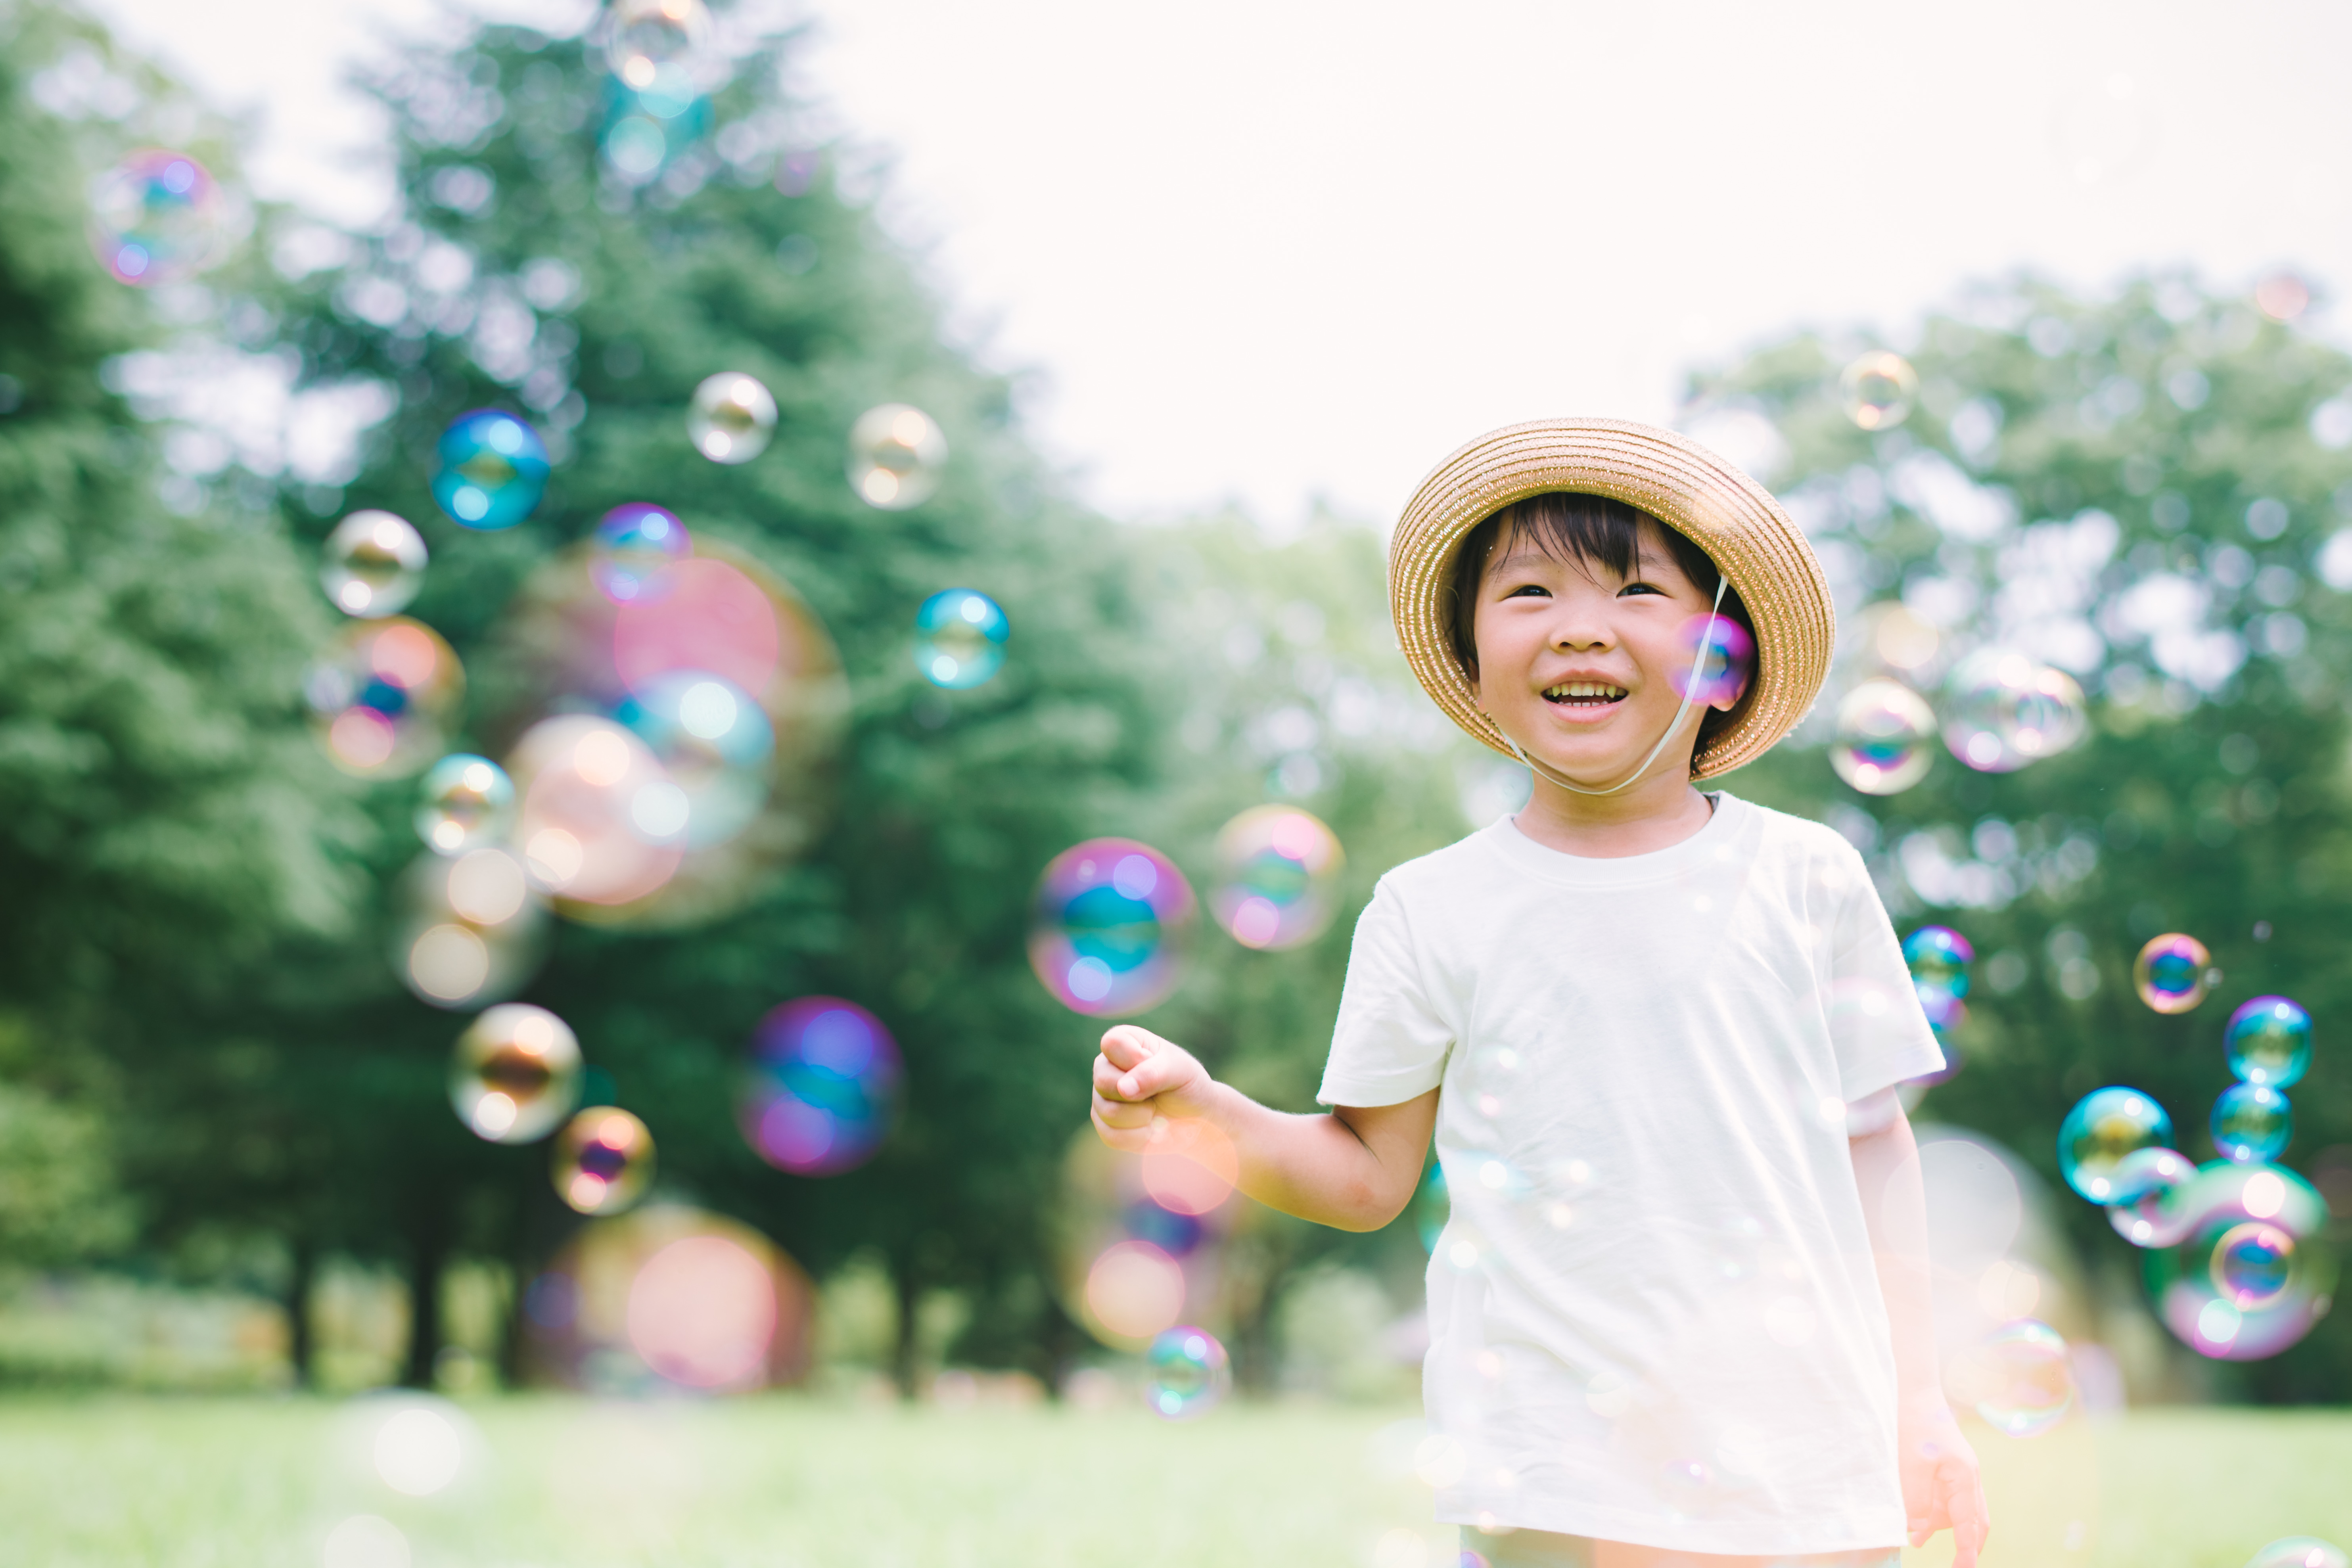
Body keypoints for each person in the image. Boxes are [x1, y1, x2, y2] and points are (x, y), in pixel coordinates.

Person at [1090, 419, 1990, 1568]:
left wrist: (1921, 1403)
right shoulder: (1431, 907)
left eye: (1635, 588)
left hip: (1806, 1459)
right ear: (1471, 657)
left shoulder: (1807, 878)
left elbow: (1876, 1148)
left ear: (1723, 659)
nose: (1579, 624)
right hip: (1555, 1472)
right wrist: (1206, 1115)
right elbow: (1366, 1174)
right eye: (1527, 590)